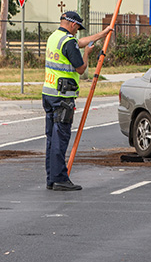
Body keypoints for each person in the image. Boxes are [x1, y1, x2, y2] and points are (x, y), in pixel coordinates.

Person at [42, 11, 111, 191]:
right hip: (62, 98)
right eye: (78, 28)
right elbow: (80, 68)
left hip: (49, 94)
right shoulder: (68, 41)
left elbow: (78, 42)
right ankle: (59, 179)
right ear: (73, 25)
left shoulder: (54, 37)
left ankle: (52, 178)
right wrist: (87, 53)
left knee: (51, 138)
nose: (77, 32)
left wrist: (103, 34)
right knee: (60, 139)